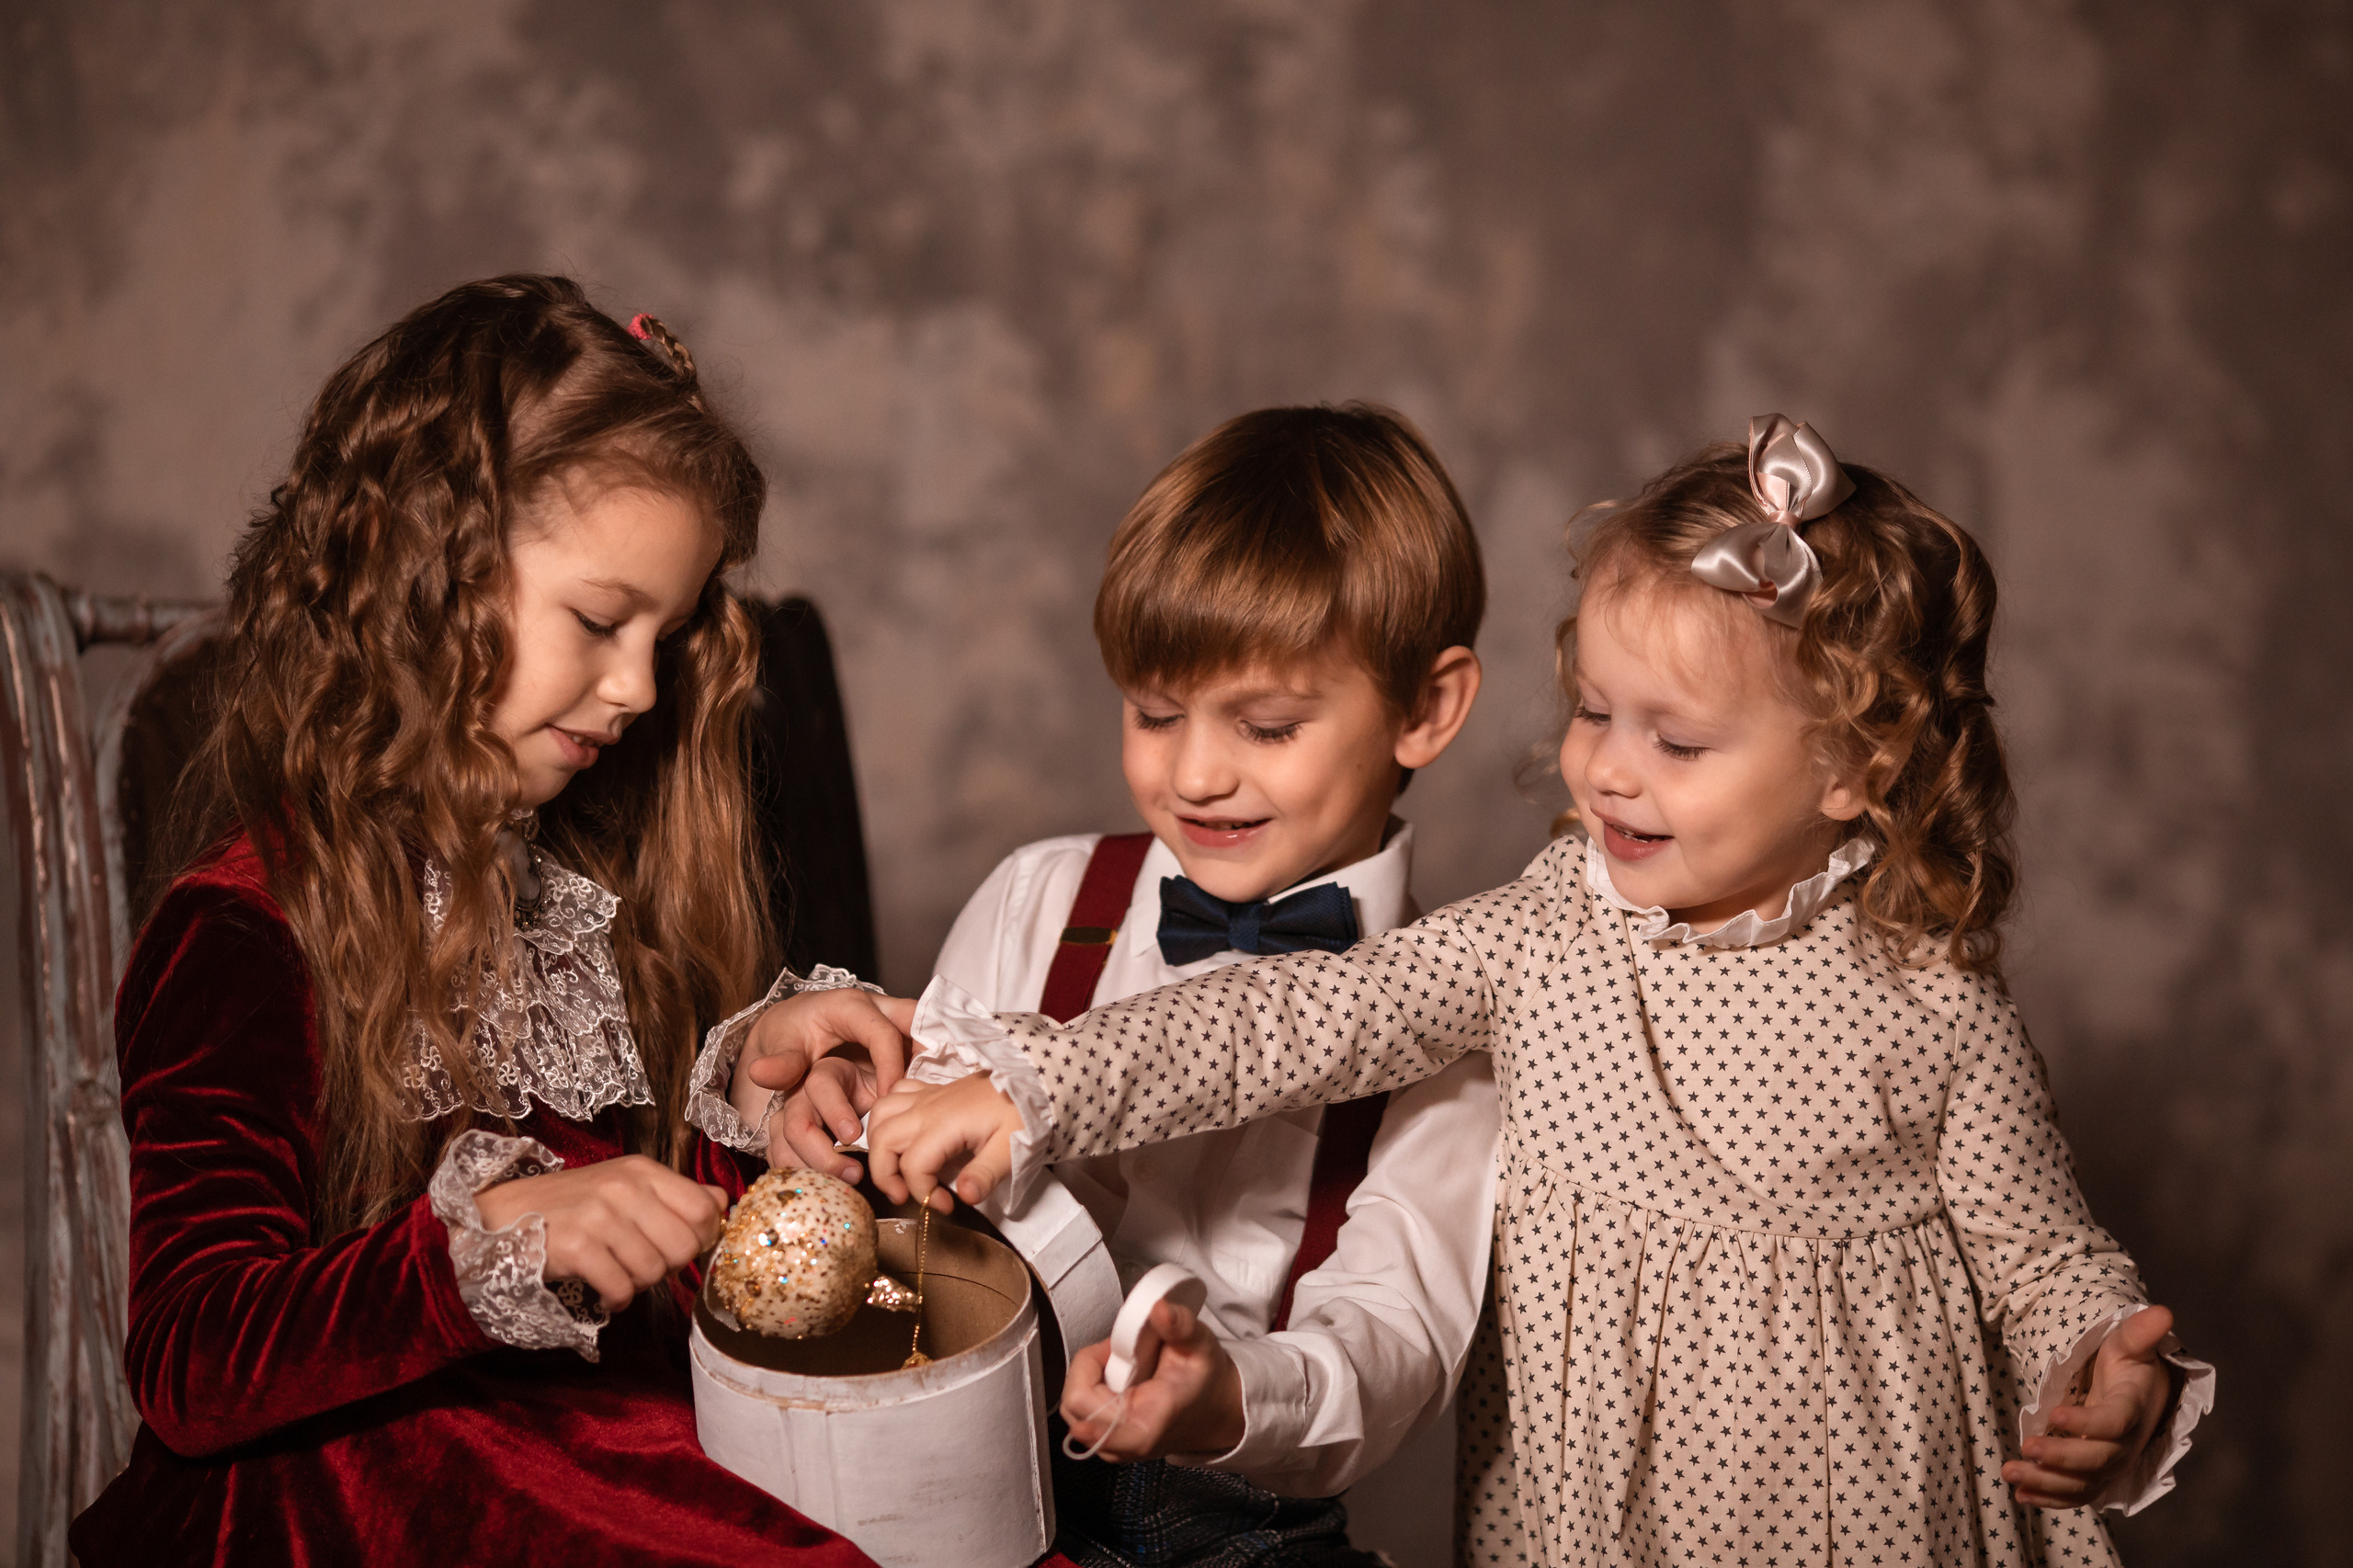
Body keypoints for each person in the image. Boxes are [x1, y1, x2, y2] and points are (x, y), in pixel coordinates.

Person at [852, 416, 2218, 1566]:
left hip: (1867, 1510)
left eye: (1676, 740)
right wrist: (1040, 1082)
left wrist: (2108, 1364)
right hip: (1585, 1515)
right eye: (1596, 711)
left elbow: (2046, 1260)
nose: (1612, 771)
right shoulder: (1547, 927)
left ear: (1855, 764)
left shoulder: (1941, 1012)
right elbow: (1290, 1018)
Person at [74, 274, 906, 1566]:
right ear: (428, 577)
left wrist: (761, 1111)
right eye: (598, 619)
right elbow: (192, 1355)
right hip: (367, 1488)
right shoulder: (241, 930)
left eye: (664, 637)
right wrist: (473, 1250)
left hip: (590, 1442)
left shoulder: (569, 900)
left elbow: (626, 1246)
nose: (634, 688)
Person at [745, 403, 1498, 1568]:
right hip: (958, 1468)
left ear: (1425, 709)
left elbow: (1395, 1339)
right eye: (1154, 712)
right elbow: (921, 1179)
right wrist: (853, 1109)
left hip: (1230, 1528)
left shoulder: (1450, 1024)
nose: (1195, 771)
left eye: (1267, 724)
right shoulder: (1046, 895)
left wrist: (1227, 1393)